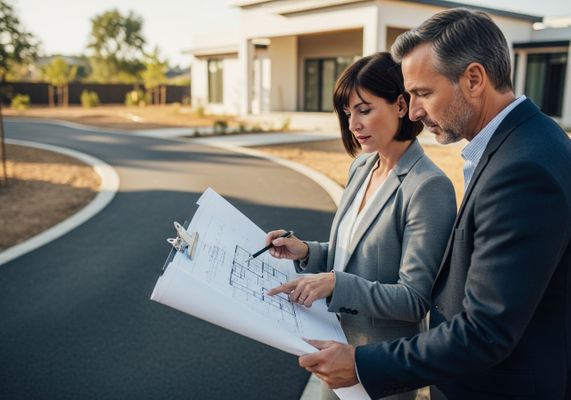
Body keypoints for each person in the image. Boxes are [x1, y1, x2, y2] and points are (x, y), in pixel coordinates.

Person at [296, 8, 571, 400]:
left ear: (474, 79)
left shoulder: (520, 169)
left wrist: (361, 364)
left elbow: (485, 330)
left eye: (424, 93)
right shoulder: (530, 139)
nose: (417, 110)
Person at [264, 52, 457, 400]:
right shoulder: (361, 168)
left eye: (364, 110)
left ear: (401, 105)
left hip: (378, 367)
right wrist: (308, 251)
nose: (353, 123)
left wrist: (337, 284)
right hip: (335, 350)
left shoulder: (428, 187)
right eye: (347, 113)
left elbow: (414, 299)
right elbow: (352, 255)